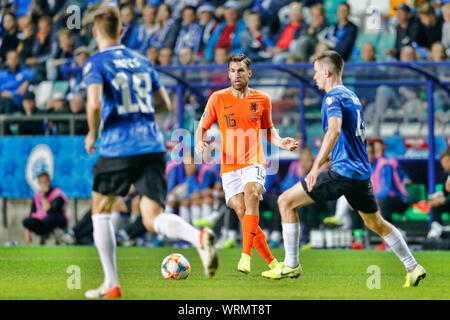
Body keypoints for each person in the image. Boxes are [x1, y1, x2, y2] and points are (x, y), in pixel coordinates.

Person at [82, 6, 218, 299]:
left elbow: (93, 104)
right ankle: (198, 237)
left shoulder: (96, 63)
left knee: (100, 209)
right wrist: (138, 108)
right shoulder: (142, 61)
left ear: (95, 32)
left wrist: (93, 132)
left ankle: (111, 284)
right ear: (121, 31)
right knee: (151, 216)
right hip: (153, 145)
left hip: (119, 145)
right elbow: (164, 104)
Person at [262, 50, 426, 288]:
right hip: (359, 173)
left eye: (316, 72)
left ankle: (291, 264)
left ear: (327, 72)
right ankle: (413, 267)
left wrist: (315, 167)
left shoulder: (332, 98)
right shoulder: (353, 96)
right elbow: (347, 139)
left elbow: (334, 130)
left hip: (344, 173)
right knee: (376, 223)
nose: (315, 77)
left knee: (285, 201)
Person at [195, 53, 299, 274]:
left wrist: (281, 142)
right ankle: (272, 263)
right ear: (228, 73)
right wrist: (198, 143)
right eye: (232, 71)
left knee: (252, 195)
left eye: (240, 70)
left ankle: (246, 256)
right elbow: (201, 127)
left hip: (255, 160)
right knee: (242, 211)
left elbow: (268, 130)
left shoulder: (262, 99)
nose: (236, 75)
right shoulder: (217, 98)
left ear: (249, 73)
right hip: (229, 165)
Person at [22, 172, 68, 245]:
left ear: (49, 181)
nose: (43, 184)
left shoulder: (57, 194)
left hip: (57, 220)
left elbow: (49, 211)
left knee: (49, 219)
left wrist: (43, 196)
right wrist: (27, 234)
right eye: (41, 182)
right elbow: (32, 214)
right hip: (43, 222)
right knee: (26, 221)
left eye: (45, 182)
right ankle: (44, 237)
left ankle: (57, 237)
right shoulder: (37, 195)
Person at [427, 148, 450, 237]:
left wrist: (442, 201)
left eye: (446, 161)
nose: (443, 164)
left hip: (448, 201)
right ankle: (437, 232)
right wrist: (434, 198)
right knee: (435, 207)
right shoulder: (446, 174)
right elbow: (444, 192)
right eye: (443, 161)